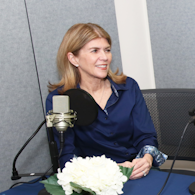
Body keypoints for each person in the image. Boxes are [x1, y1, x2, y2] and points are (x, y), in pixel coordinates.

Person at [46, 23, 167, 180]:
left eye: (107, 50)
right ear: (73, 58)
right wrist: (111, 169)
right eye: (95, 51)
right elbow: (66, 157)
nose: (104, 57)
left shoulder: (128, 87)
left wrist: (146, 159)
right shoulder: (61, 100)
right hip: (93, 180)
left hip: (136, 172)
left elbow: (145, 134)